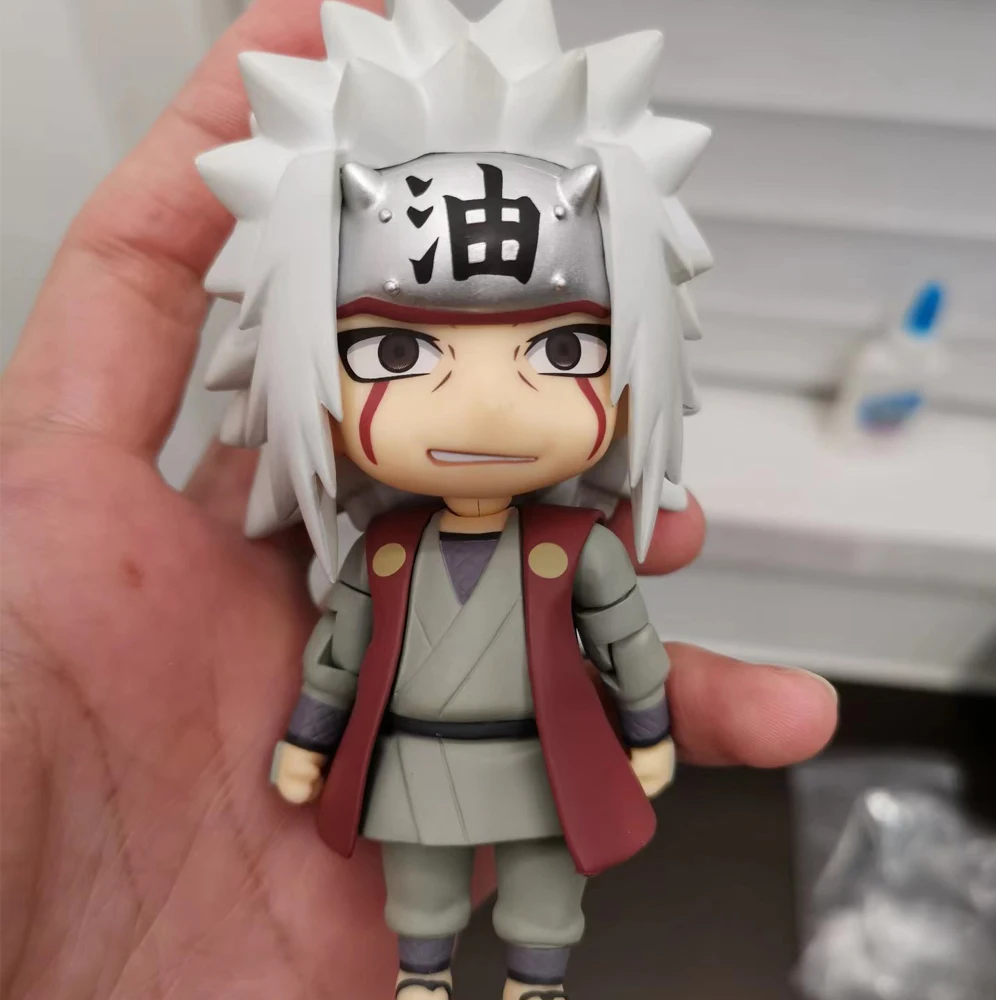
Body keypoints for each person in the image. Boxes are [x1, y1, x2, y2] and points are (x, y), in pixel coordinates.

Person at [0, 1, 839, 997]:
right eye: (396, 353)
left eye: (561, 349)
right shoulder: (386, 552)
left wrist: (648, 728)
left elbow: (626, 644)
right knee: (422, 892)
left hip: (544, 755)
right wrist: (308, 742)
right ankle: (424, 979)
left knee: (543, 886)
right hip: (416, 760)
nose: (485, 404)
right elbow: (336, 657)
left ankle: (536, 980)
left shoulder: (577, 548)